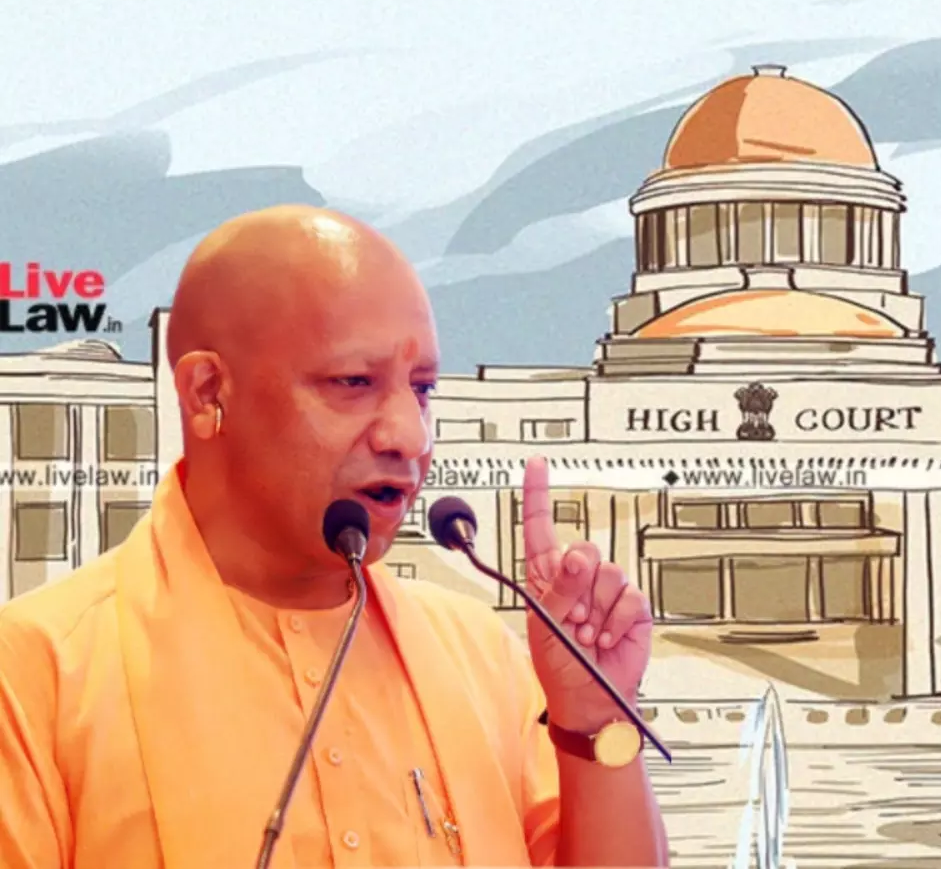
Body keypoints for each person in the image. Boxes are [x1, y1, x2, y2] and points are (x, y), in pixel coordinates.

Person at [0, 205, 669, 867]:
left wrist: (592, 721)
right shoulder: (38, 672)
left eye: (423, 389)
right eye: (353, 382)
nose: (410, 436)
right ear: (207, 393)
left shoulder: (479, 656)